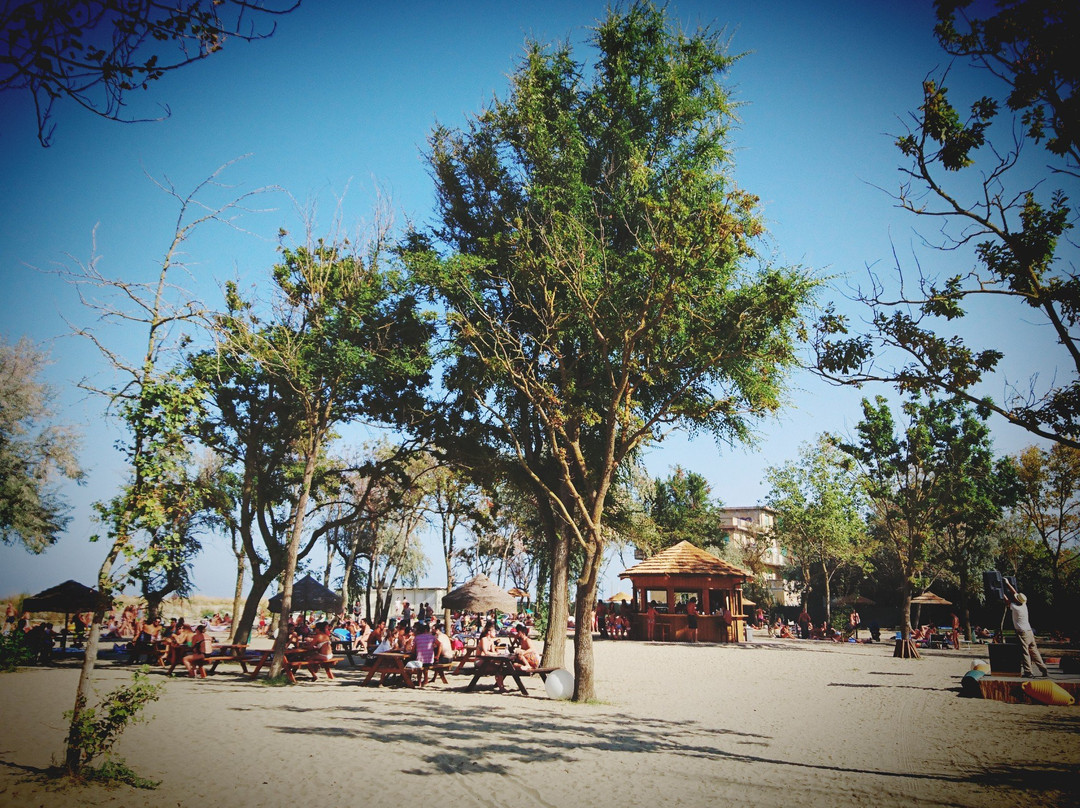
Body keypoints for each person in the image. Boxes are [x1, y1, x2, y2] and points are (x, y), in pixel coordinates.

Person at [1003, 580, 1049, 678]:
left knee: (1025, 652)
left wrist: (1000, 591)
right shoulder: (1023, 605)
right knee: (1034, 651)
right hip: (1029, 631)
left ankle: (1028, 672)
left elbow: (1007, 600)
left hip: (1022, 633)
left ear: (1016, 600)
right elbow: (1015, 593)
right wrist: (1008, 584)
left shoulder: (1015, 608)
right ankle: (1043, 668)